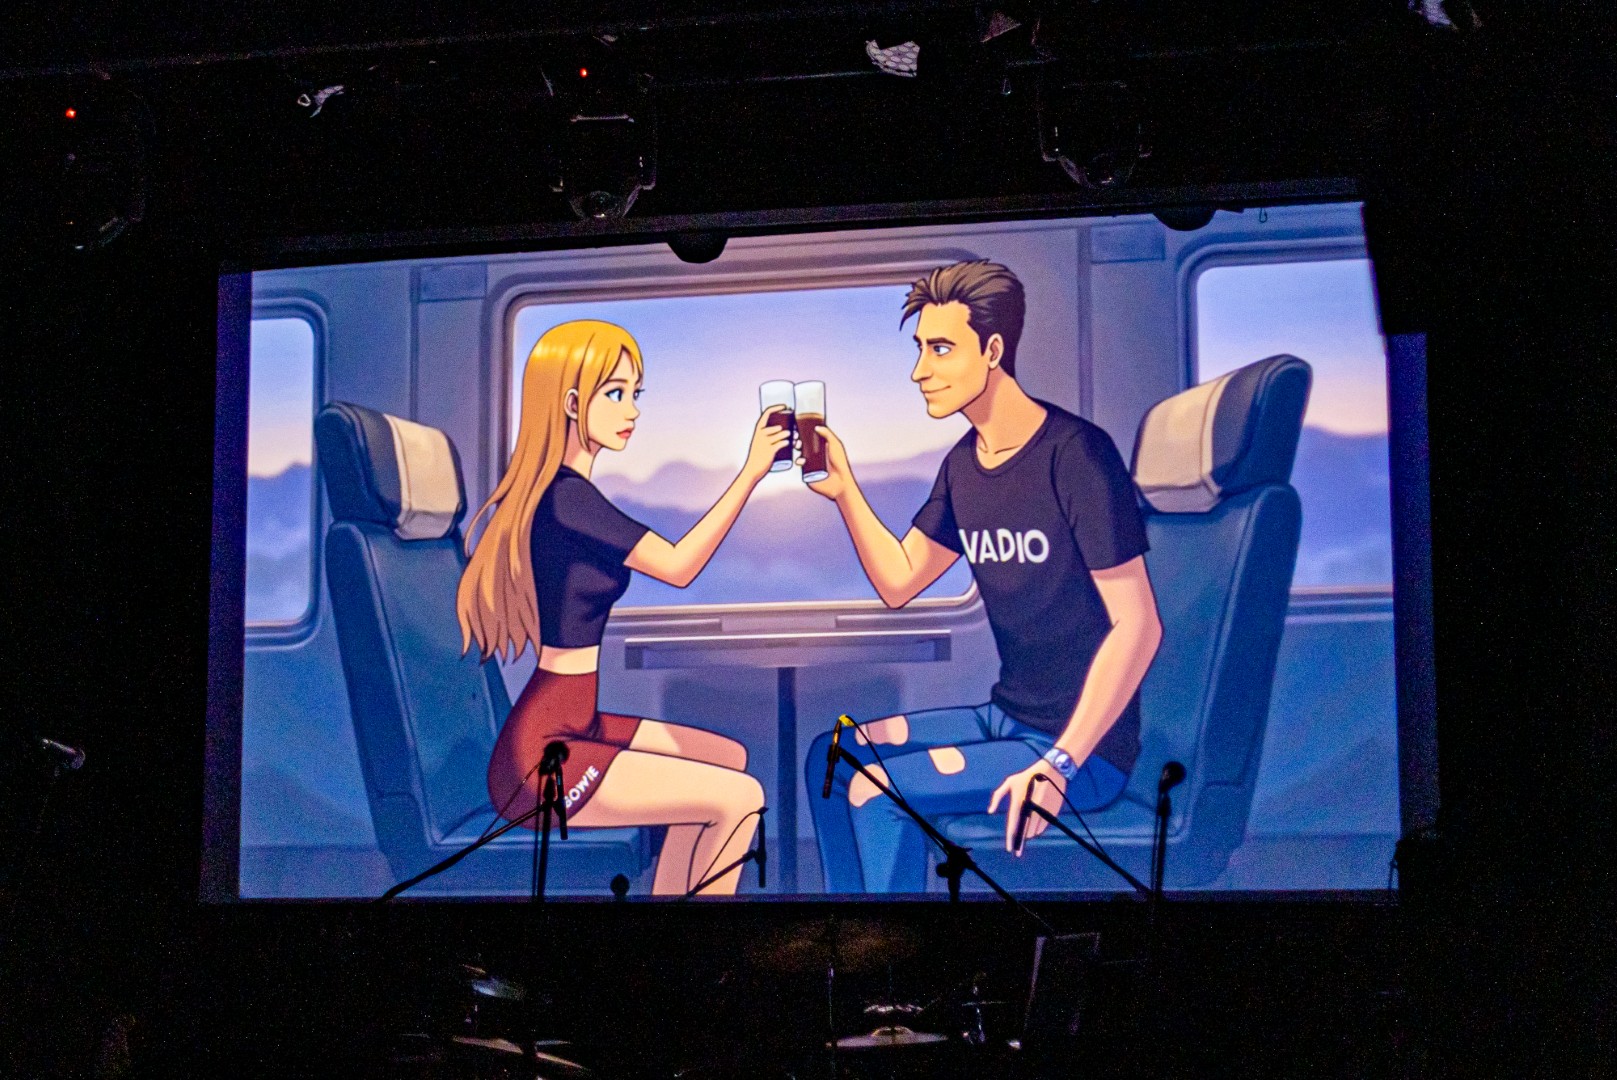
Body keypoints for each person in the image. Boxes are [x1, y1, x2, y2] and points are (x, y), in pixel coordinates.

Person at [803, 260, 1164, 893]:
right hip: (1003, 718)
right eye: (919, 349)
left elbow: (1139, 626)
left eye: (941, 349)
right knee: (831, 757)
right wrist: (845, 491)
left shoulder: (1076, 454)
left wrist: (1059, 764)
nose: (920, 371)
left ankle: (895, 952)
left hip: (1081, 750)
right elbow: (900, 581)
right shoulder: (962, 465)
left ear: (993, 351)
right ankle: (849, 930)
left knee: (877, 790)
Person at [458, 319, 784, 896]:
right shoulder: (567, 499)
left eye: (636, 393)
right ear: (572, 403)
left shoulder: (567, 494)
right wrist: (751, 472)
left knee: (729, 758)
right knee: (742, 798)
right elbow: (679, 566)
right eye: (615, 393)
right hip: (540, 758)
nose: (632, 410)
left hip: (574, 718)